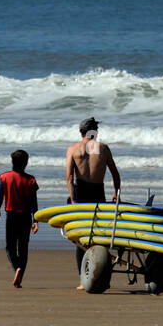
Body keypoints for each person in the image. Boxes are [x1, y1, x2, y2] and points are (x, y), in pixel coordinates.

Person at [64, 117, 121, 287]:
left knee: (81, 237)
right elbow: (115, 175)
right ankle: (104, 278)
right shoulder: (103, 148)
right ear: (93, 131)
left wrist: (73, 199)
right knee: (99, 235)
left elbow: (69, 177)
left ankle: (84, 279)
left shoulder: (73, 149)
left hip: (80, 193)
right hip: (98, 193)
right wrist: (115, 194)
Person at [0, 149, 38, 289]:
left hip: (11, 216)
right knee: (23, 247)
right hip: (25, 217)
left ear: (12, 162)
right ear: (26, 163)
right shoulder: (31, 180)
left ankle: (16, 268)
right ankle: (20, 275)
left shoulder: (4, 177)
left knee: (10, 247)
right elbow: (33, 202)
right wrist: (35, 220)